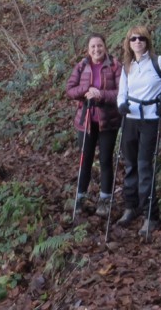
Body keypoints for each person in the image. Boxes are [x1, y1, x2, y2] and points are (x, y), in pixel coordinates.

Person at [115, 25, 161, 235]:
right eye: (133, 39)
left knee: (144, 166)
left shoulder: (158, 62)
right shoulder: (127, 65)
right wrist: (121, 105)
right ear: (128, 43)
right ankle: (131, 207)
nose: (137, 42)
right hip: (130, 119)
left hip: (150, 119)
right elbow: (122, 92)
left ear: (147, 41)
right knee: (130, 165)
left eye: (141, 39)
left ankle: (150, 215)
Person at [65, 33, 122, 217]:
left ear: (105, 46)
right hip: (86, 120)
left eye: (99, 46)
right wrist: (86, 90)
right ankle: (80, 197)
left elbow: (122, 92)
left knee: (105, 160)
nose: (96, 49)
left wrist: (101, 95)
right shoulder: (82, 66)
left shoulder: (114, 65)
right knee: (85, 159)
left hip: (109, 119)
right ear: (88, 49)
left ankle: (105, 200)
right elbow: (70, 90)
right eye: (93, 47)